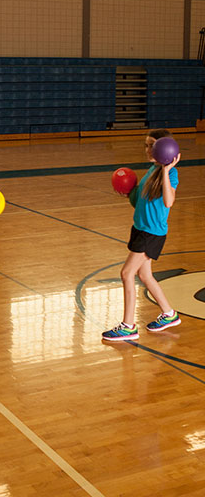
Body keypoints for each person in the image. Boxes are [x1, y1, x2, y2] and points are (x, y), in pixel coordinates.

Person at [102, 129, 181, 342]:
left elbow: (168, 202)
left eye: (152, 146)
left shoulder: (169, 174)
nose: (147, 150)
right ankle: (169, 314)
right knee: (144, 275)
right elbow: (141, 203)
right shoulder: (151, 170)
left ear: (163, 148)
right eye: (146, 145)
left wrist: (166, 170)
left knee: (127, 273)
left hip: (151, 233)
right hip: (140, 229)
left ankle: (128, 326)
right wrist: (130, 192)